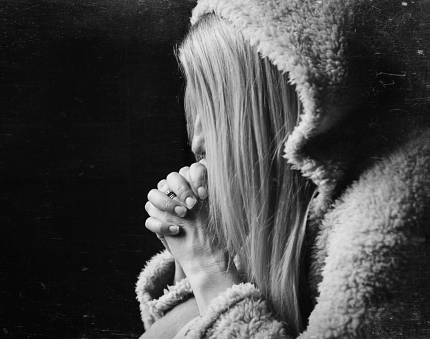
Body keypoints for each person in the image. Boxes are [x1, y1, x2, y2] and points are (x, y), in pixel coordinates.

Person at [137, 0, 430, 338]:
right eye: (196, 107)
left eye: (218, 108)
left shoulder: (388, 221)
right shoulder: (298, 204)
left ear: (285, 109)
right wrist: (189, 263)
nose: (198, 140)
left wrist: (208, 267)